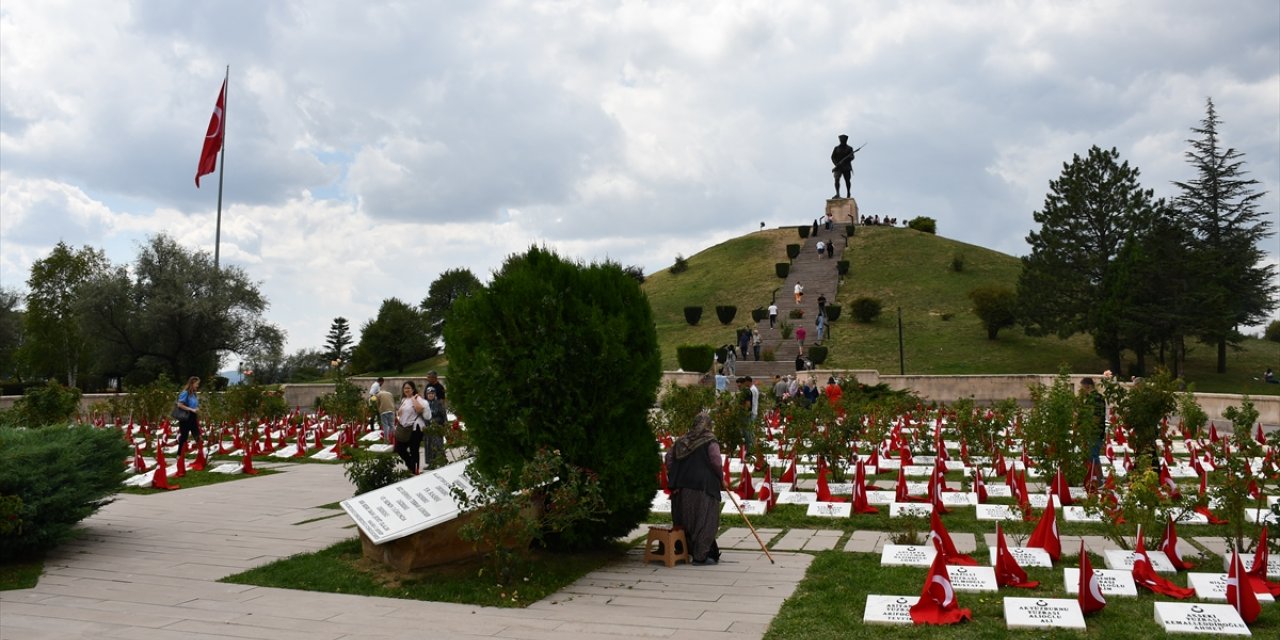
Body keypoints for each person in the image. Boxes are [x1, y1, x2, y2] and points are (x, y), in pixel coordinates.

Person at [665, 412, 727, 565]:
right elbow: (716, 462)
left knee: (684, 520)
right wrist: (721, 477)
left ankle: (684, 551)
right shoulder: (710, 440)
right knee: (704, 521)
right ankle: (701, 556)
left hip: (681, 488)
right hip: (703, 487)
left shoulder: (681, 441)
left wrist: (676, 474)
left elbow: (668, 458)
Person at [394, 381, 429, 473]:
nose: (407, 390)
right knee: (400, 448)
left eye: (409, 388)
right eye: (405, 388)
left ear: (413, 389)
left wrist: (413, 399)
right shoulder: (404, 399)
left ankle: (415, 469)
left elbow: (420, 410)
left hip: (415, 428)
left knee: (414, 450)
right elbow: (401, 412)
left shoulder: (417, 398)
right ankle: (411, 465)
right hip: (405, 428)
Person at [1080, 377, 1107, 479]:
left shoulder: (1095, 398)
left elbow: (1096, 417)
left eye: (1082, 386)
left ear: (1088, 385)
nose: (1082, 388)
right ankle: (1092, 478)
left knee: (1093, 455)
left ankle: (1099, 480)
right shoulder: (1090, 397)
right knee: (1090, 456)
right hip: (1091, 431)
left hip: (1095, 431)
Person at [174, 377, 202, 455]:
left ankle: (201, 454)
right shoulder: (185, 393)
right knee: (184, 437)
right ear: (192, 383)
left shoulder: (194, 394)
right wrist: (191, 409)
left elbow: (193, 404)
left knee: (197, 434)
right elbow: (180, 404)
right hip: (186, 417)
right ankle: (179, 455)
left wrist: (196, 408)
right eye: (197, 384)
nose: (197, 385)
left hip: (193, 416)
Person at [422, 386, 448, 469]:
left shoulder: (439, 403)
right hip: (427, 428)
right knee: (428, 445)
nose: (430, 395)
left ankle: (442, 462)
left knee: (438, 444)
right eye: (429, 393)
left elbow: (444, 416)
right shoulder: (424, 404)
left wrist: (444, 425)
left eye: (432, 393)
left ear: (435, 394)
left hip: (437, 427)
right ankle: (431, 463)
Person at [831, 134, 854, 199]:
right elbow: (832, 157)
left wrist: (848, 159)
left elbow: (852, 157)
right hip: (838, 167)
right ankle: (837, 193)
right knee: (836, 179)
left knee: (847, 181)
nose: (843, 141)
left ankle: (848, 193)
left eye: (844, 140)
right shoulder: (836, 148)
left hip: (846, 167)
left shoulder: (849, 148)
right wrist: (836, 164)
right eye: (842, 140)